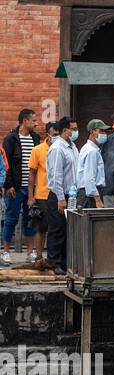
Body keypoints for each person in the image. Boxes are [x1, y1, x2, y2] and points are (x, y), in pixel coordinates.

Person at [2, 108, 38, 263]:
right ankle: (6, 252)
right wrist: (8, 185)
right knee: (11, 219)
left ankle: (30, 252)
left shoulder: (36, 138)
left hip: (31, 189)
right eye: (33, 120)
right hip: (15, 188)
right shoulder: (11, 139)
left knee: (30, 219)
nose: (36, 123)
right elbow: (6, 163)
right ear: (25, 121)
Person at [44, 118, 78, 275]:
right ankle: (54, 262)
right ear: (65, 130)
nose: (76, 131)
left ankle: (65, 262)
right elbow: (56, 176)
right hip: (59, 195)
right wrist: (60, 198)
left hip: (71, 194)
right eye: (74, 128)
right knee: (57, 230)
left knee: (68, 230)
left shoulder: (72, 146)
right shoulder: (58, 148)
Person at [26, 122, 54, 264]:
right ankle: (38, 256)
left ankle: (52, 257)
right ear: (47, 134)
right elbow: (32, 174)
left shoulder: (62, 149)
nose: (55, 136)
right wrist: (31, 196)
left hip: (57, 194)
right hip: (42, 194)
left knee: (55, 228)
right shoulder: (38, 150)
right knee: (40, 227)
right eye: (53, 133)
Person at [75, 119, 109, 209]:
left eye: (104, 131)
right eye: (101, 131)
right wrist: (97, 200)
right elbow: (89, 178)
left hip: (89, 194)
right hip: (90, 196)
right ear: (92, 131)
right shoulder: (91, 151)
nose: (104, 134)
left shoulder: (90, 149)